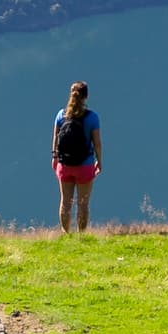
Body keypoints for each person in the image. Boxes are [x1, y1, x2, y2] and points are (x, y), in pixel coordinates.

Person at [50, 81, 101, 233]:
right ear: (86, 96)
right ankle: (82, 236)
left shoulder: (61, 115)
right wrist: (99, 161)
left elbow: (56, 137)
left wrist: (54, 157)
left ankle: (66, 235)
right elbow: (97, 143)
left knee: (65, 202)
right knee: (83, 203)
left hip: (64, 164)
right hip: (85, 165)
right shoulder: (92, 117)